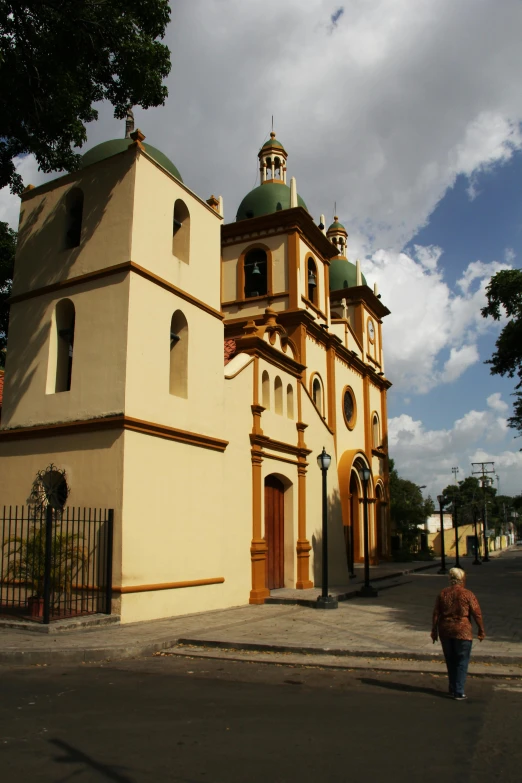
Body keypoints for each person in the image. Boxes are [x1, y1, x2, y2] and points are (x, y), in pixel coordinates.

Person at [431, 567, 485, 700]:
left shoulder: (443, 593)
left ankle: (452, 687)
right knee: (462, 660)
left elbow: (436, 613)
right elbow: (476, 613)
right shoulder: (468, 594)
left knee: (450, 660)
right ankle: (459, 690)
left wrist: (434, 630)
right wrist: (481, 629)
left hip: (446, 630)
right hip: (463, 630)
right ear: (462, 579)